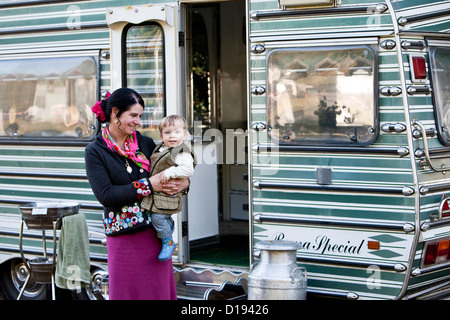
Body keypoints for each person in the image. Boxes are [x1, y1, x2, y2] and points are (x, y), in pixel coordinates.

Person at [84, 88, 189, 300]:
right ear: (115, 114)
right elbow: (106, 195)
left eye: (140, 116)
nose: (137, 121)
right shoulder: (95, 151)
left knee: (157, 292)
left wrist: (185, 183)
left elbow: (171, 169)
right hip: (124, 239)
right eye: (133, 115)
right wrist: (148, 185)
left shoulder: (145, 144)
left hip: (156, 235)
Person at [140, 115, 195, 262]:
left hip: (168, 195)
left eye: (177, 132)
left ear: (184, 135)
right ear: (161, 136)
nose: (172, 136)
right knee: (157, 216)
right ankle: (168, 228)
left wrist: (170, 172)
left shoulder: (181, 151)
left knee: (158, 217)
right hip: (158, 196)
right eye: (167, 133)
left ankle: (168, 241)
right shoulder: (161, 148)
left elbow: (188, 170)